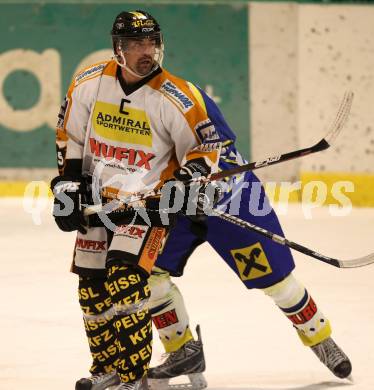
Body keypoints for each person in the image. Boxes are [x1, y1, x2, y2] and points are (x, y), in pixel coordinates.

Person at [50, 10, 223, 390]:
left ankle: (134, 377)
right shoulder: (88, 83)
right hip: (97, 202)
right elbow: (71, 135)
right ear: (118, 48)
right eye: (136, 44)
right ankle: (106, 368)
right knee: (92, 290)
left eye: (152, 43)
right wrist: (67, 185)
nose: (147, 51)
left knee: (126, 280)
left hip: (147, 206)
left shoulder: (177, 95)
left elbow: (203, 148)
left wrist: (189, 178)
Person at [144, 86, 353, 389]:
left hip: (232, 199)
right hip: (176, 207)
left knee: (277, 282)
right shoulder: (122, 104)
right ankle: (183, 352)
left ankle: (321, 339)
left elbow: (222, 148)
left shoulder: (184, 96)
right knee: (149, 274)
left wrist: (204, 183)